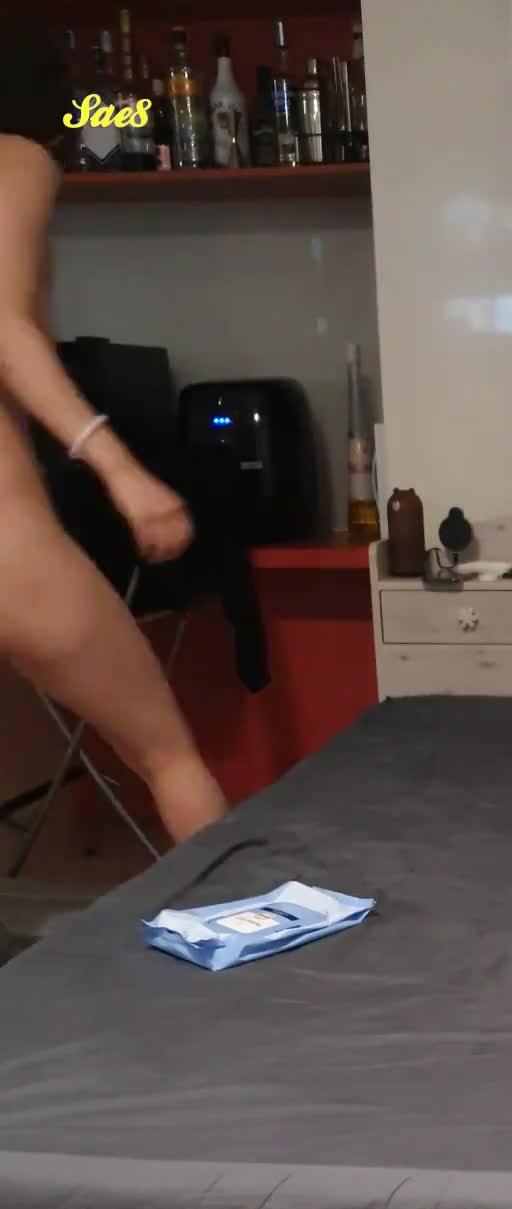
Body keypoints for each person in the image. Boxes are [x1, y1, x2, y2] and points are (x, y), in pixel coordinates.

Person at [0, 24, 226, 844]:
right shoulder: (16, 156)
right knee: (167, 757)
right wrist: (120, 468)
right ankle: (241, 927)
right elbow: (3, 327)